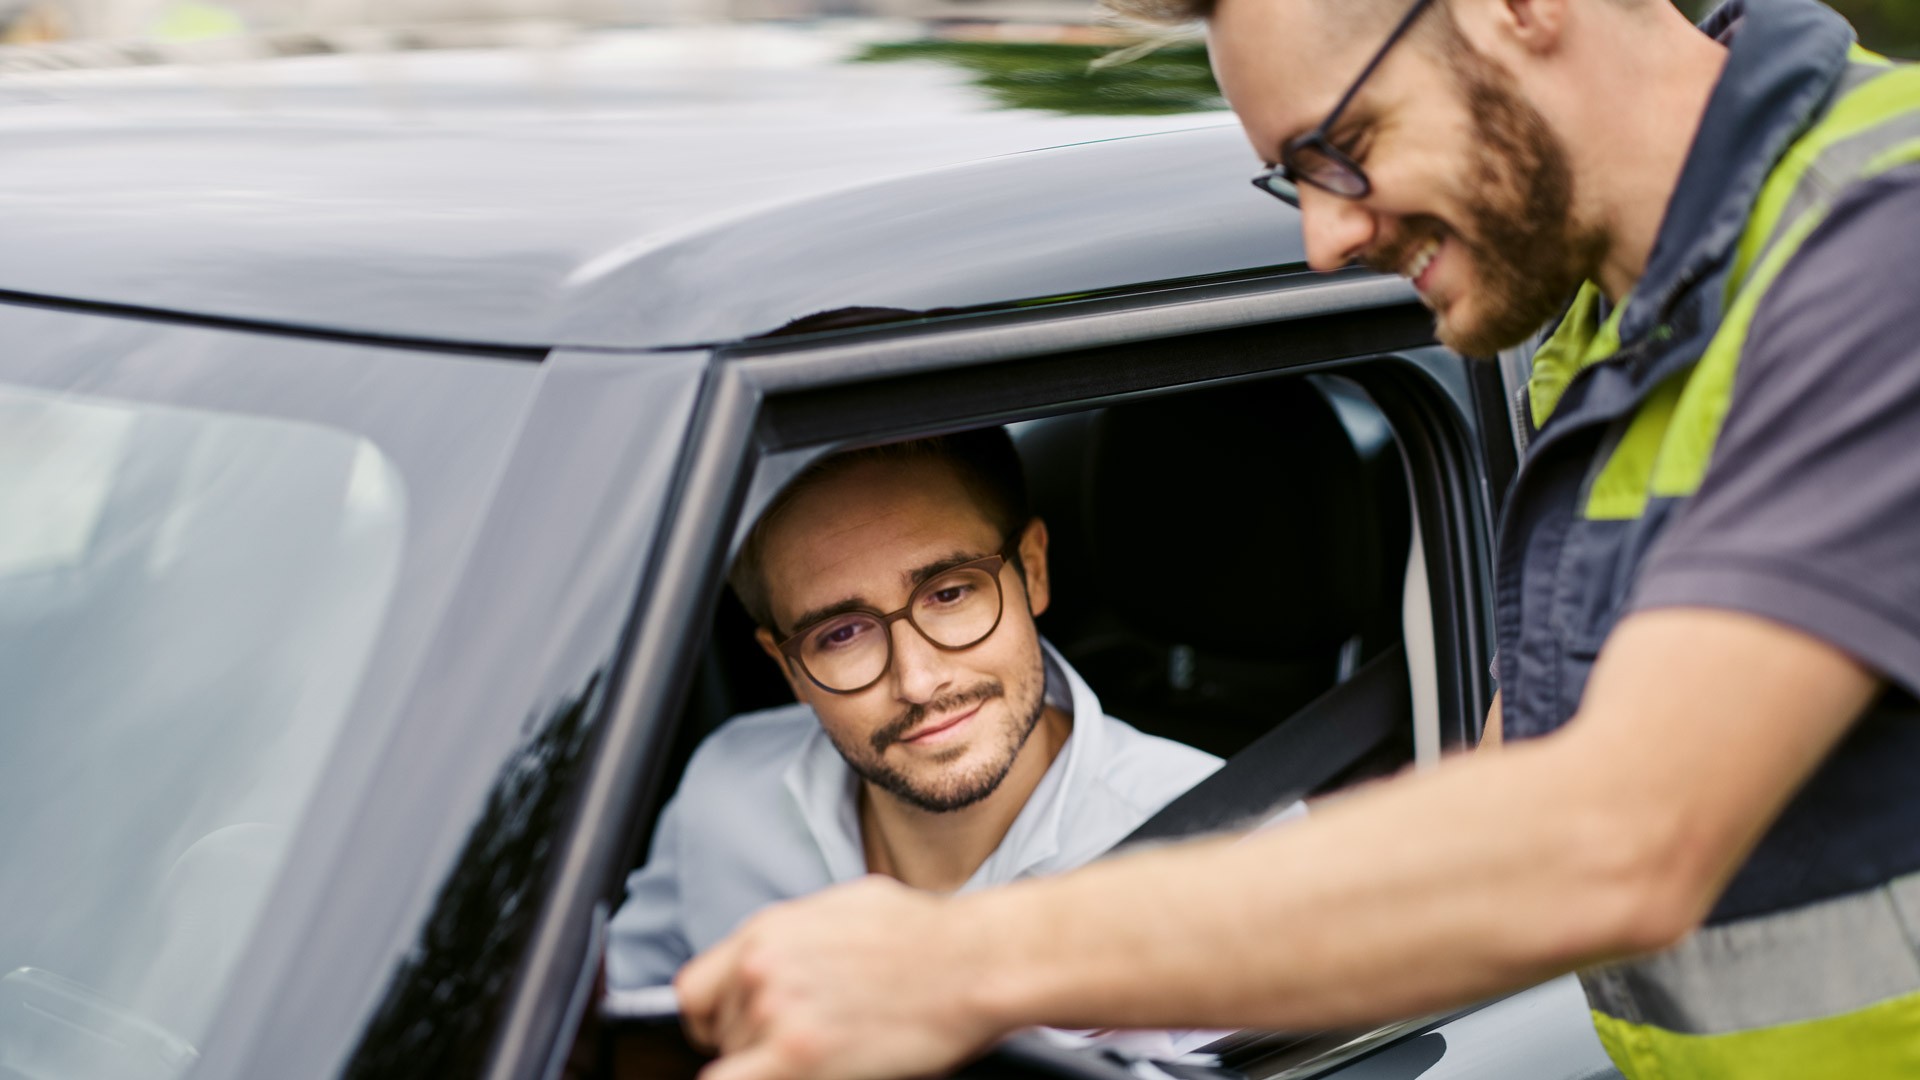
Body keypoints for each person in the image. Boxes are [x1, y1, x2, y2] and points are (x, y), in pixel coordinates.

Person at [671, 1, 1920, 1078]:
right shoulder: (1606, 332)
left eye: (1344, 149)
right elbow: (1492, 834)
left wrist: (956, 963)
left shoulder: (1882, 247)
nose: (1326, 242)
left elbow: (1610, 844)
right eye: (1295, 180)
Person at [604, 429, 1224, 989]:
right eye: (842, 634)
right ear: (787, 667)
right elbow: (616, 1022)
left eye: (949, 593)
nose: (919, 682)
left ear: (1033, 573)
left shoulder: (1224, 852)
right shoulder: (725, 793)